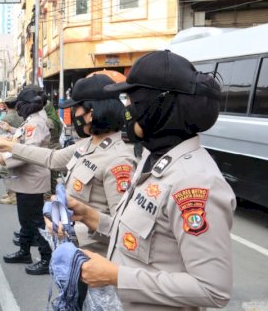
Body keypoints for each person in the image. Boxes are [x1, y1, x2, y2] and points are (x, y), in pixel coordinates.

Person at [70, 50, 236, 310]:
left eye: (134, 100)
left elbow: (213, 290)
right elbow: (140, 239)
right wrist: (90, 217)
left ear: (160, 107)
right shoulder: (154, 159)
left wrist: (116, 276)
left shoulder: (195, 182)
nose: (126, 110)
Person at [0, 74, 138, 254]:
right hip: (73, 253)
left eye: (76, 108)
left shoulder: (119, 160)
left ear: (90, 114)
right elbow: (52, 158)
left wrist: (77, 229)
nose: (74, 114)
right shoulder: (88, 144)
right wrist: (11, 146)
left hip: (97, 260)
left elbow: (123, 228)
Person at [0, 87, 53, 275]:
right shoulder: (31, 121)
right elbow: (24, 141)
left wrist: (4, 158)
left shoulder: (36, 123)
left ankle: (46, 259)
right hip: (26, 179)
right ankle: (24, 251)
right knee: (25, 220)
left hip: (32, 179)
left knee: (36, 221)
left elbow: (28, 153)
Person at [0, 96, 24, 205]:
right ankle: (13, 193)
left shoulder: (6, 118)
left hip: (9, 147)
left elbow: (3, 135)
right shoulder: (22, 116)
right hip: (21, 146)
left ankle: (12, 195)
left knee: (5, 171)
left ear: (6, 105)